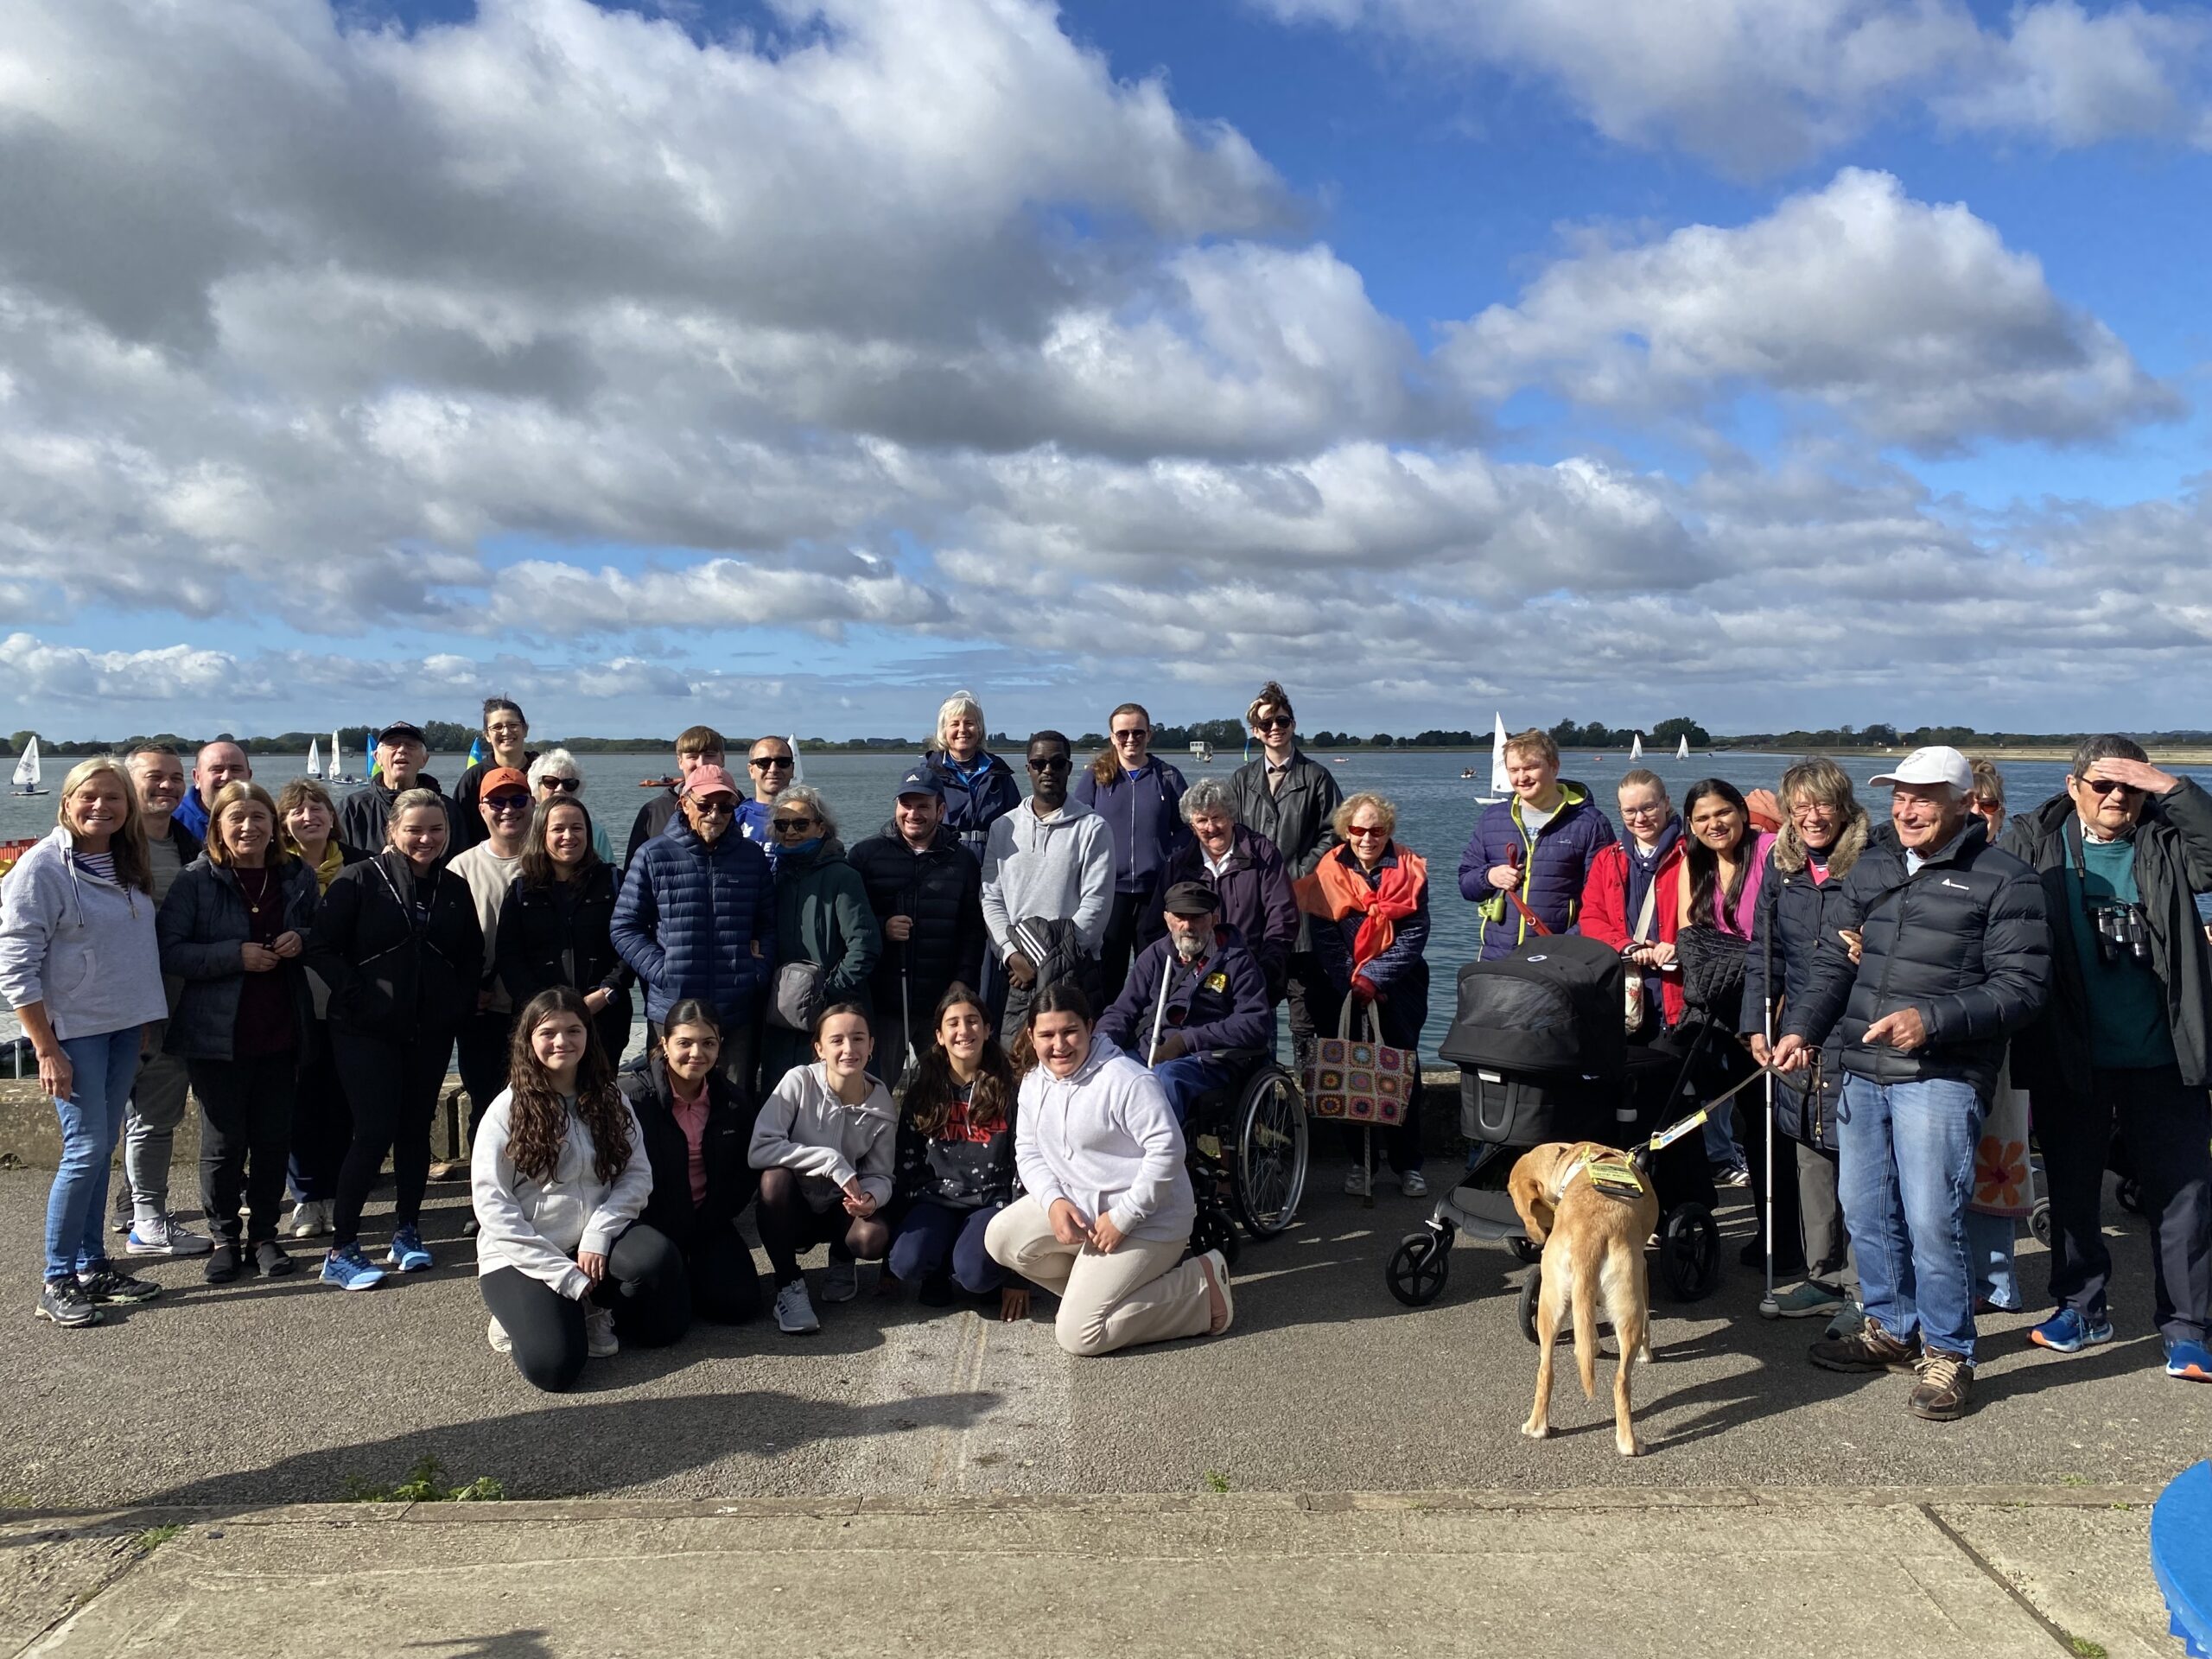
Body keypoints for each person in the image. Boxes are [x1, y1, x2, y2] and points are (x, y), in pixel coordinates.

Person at [1772, 747, 2050, 1421]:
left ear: (1961, 802)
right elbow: (1838, 963)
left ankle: (1950, 1353)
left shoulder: (2005, 879)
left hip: (1942, 1074)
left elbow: (2023, 989)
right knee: (1867, 1212)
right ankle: (1893, 1329)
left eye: (1924, 797)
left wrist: (1929, 1020)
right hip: (1862, 1070)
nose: (1907, 808)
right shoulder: (1875, 865)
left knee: (1933, 1217)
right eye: (1899, 796)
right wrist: (1802, 1027)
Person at [1999, 736, 2212, 1382]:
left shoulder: (2168, 842)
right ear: (2072, 787)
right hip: (2072, 1051)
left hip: (2165, 1052)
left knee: (2184, 1196)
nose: (2117, 797)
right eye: (2102, 784)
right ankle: (2081, 1307)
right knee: (2071, 1191)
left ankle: (2189, 1328)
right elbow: (1975, 901)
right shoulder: (2030, 844)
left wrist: (2170, 787)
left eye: (2131, 786)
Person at [1, 758, 169, 1326]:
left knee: (103, 1147)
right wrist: (44, 1047)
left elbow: (130, 948)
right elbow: (16, 967)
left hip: (124, 1026)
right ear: (67, 801)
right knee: (84, 1149)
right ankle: (56, 1278)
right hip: (74, 1034)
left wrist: (142, 1011)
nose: (101, 807)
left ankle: (92, 1266)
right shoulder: (41, 868)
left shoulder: (126, 860)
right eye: (89, 797)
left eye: (114, 799)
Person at [983, 984, 1232, 1355]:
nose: (1060, 1045)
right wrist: (1052, 1202)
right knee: (1000, 1238)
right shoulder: (1035, 1082)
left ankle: (1199, 1289)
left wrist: (1125, 1217)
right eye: (1047, 1035)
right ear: (1032, 1037)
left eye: (1070, 1032)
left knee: (1079, 1337)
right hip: (1083, 1209)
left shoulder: (1127, 1080)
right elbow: (1028, 1149)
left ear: (1090, 1027)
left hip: (1150, 1220)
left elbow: (1167, 1152)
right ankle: (1099, 1296)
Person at [305, 787, 485, 1290]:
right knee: (373, 1130)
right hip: (365, 1029)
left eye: (436, 830)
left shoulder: (452, 886)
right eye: (415, 830)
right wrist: (358, 993)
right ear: (392, 831)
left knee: (415, 1129)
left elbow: (470, 953)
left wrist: (457, 1000)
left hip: (428, 1028)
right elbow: (321, 947)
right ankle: (341, 1248)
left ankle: (407, 1230)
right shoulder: (359, 879)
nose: (425, 839)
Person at [474, 988, 690, 1391]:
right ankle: (521, 1314)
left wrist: (598, 1233)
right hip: (523, 1251)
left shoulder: (610, 1098)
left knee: (660, 1282)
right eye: (548, 1032)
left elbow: (636, 1175)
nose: (562, 1042)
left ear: (588, 1035)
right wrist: (560, 1273)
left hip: (593, 1241)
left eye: (574, 1030)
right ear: (529, 1040)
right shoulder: (507, 1110)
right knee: (556, 1369)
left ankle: (594, 1305)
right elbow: (493, 1207)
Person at [156, 781, 320, 1283]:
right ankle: (225, 1238)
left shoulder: (296, 876)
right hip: (216, 1035)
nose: (249, 827)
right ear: (218, 827)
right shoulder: (195, 880)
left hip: (282, 1027)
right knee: (224, 1144)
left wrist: (302, 939)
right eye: (237, 819)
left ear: (274, 826)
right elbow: (170, 950)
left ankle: (265, 1236)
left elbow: (327, 933)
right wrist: (234, 955)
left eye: (259, 818)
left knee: (273, 1140)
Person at [1743, 757, 1872, 1335]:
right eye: (1800, 806)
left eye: (1821, 804)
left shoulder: (1876, 863)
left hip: (1859, 1031)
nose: (1811, 817)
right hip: (1796, 1033)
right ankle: (1822, 1277)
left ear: (1842, 807)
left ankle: (1868, 1289)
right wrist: (1755, 1025)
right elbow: (1763, 954)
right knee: (1809, 1154)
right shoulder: (1782, 864)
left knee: (1863, 1165)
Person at [1673, 778, 1790, 1252]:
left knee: (1769, 1126)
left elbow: (1784, 936)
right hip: (1723, 1006)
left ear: (1742, 813)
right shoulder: (1696, 861)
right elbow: (1690, 933)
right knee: (1688, 1094)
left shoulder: (1769, 852)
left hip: (1770, 1004)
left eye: (1722, 813)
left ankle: (1782, 1237)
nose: (1713, 824)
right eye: (1701, 818)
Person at [611, 764, 775, 1098]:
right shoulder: (653, 855)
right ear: (684, 803)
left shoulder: (752, 858)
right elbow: (624, 926)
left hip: (735, 1010)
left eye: (725, 806)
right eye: (705, 804)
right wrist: (663, 970)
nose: (715, 814)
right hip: (672, 1009)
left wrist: (755, 972)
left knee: (733, 1102)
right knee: (669, 1100)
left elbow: (768, 925)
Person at [1297, 792, 1431, 1198]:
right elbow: (1323, 937)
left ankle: (1408, 1165)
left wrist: (1376, 977)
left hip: (1400, 986)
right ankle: (1361, 1163)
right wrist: (1352, 983)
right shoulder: (1328, 869)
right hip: (1342, 988)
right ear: (1346, 830)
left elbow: (1414, 935)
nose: (1367, 837)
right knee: (1348, 1074)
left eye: (1376, 830)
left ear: (1388, 829)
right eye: (1357, 829)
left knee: (1402, 1073)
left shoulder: (1410, 867)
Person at [109, 743, 212, 1257]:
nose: (167, 786)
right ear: (129, 782)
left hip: (173, 1002)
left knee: (156, 1114)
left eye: (176, 777)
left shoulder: (188, 842)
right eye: (155, 777)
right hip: (111, 1008)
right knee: (96, 1131)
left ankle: (147, 1219)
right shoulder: (98, 847)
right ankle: (81, 1251)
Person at [748, 1004, 897, 1335]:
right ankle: (788, 1285)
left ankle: (843, 1259)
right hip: (794, 1206)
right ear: (819, 1049)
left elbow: (882, 1174)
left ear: (871, 1045)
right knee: (773, 1180)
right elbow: (759, 1149)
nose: (849, 1049)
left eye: (858, 1039)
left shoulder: (882, 1104)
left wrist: (871, 1197)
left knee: (872, 1237)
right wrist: (831, 1161)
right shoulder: (798, 1081)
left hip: (838, 1208)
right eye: (837, 1040)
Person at [620, 1000, 762, 1325]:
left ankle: (689, 1275)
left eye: (708, 1043)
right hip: (648, 1225)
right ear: (664, 1044)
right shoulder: (632, 1099)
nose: (697, 1053)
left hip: (705, 1222)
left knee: (740, 1304)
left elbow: (746, 1171)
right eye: (685, 1042)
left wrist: (716, 1215)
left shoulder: (732, 1101)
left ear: (720, 1046)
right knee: (660, 1325)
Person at [887, 985, 1027, 1317]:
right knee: (905, 1262)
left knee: (975, 1276)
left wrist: (1018, 1276)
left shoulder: (1012, 1089)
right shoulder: (923, 1090)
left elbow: (1025, 1168)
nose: (964, 1031)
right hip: (935, 1200)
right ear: (939, 1035)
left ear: (988, 1029)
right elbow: (905, 1165)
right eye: (953, 1023)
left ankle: (961, 1266)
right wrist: (887, 1260)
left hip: (990, 1202)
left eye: (973, 1021)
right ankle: (936, 1265)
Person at [848, 766, 987, 1082]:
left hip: (940, 1001)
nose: (913, 813)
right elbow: (851, 922)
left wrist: (963, 981)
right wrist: (882, 927)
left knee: (943, 1085)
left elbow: (973, 928)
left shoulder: (962, 861)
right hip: (885, 1002)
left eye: (923, 805)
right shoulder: (865, 856)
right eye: (906, 804)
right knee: (876, 1085)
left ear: (940, 810)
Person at [1229, 682, 1342, 1068]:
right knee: (1253, 1004)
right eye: (1266, 723)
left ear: (1293, 724)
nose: (1274, 728)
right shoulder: (1241, 781)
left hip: (1306, 907)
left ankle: (1311, 1095)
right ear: (1255, 732)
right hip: (1255, 912)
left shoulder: (1317, 777)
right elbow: (1230, 835)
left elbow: (1336, 832)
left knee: (1306, 1012)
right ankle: (1263, 1091)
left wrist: (1298, 870)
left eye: (1282, 720)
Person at [1096, 884, 1272, 1125]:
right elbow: (1123, 1010)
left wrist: (1186, 1041)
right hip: (1149, 1050)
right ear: (1167, 920)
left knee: (1165, 1079)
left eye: (1197, 918)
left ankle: (1163, 1157)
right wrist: (1099, 1043)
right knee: (1110, 1074)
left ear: (1214, 919)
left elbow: (1255, 1023)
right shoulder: (1155, 956)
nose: (1188, 927)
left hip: (1207, 1060)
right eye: (1180, 918)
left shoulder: (1238, 962)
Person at [980, 732, 1113, 1042]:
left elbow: (1096, 907)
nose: (1048, 770)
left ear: (1069, 768)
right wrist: (1011, 954)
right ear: (1028, 769)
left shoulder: (1093, 828)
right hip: (1016, 972)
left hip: (1075, 968)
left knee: (1071, 1057)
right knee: (1014, 1059)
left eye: (1056, 763)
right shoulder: (1003, 828)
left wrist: (1047, 963)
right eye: (1039, 763)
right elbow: (991, 898)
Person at [759, 785, 881, 1086]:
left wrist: (829, 994)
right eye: (782, 825)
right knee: (782, 1094)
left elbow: (864, 946)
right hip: (780, 1015)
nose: (791, 832)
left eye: (801, 824)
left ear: (821, 827)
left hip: (830, 1010)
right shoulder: (776, 875)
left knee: (830, 1092)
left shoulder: (843, 876)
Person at [1457, 728, 1617, 959]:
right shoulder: (1492, 819)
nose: (1522, 778)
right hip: (1499, 959)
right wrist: (1490, 876)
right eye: (1514, 770)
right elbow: (1466, 884)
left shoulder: (1590, 823)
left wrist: (1564, 945)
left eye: (1531, 768)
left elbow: (1604, 899)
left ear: (1554, 766)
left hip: (1562, 961)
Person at [497, 798, 633, 1065]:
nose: (568, 836)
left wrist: (606, 992)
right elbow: (509, 956)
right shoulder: (521, 891)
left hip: (604, 1015)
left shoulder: (615, 881)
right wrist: (542, 1005)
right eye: (558, 829)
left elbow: (631, 945)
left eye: (577, 828)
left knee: (598, 1098)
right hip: (541, 1020)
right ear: (541, 834)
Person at [1071, 703, 1190, 1001]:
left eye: (1138, 732)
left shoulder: (1168, 776)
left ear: (1149, 734)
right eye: (1123, 733)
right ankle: (1105, 1038)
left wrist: (1167, 858)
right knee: (1107, 974)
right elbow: (1076, 825)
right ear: (1112, 736)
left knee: (1158, 972)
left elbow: (1188, 828)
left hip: (1156, 892)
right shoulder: (1097, 777)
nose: (1130, 739)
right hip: (1109, 892)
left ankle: (1154, 1038)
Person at [448, 766, 534, 1144]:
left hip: (537, 1008)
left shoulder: (548, 861)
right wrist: (466, 992)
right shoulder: (460, 868)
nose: (508, 810)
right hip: (481, 1010)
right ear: (482, 809)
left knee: (539, 1102)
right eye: (497, 802)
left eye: (518, 800)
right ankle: (483, 1191)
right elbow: (445, 946)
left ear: (532, 804)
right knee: (485, 1105)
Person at [1162, 777, 1297, 1004]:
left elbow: (1282, 916)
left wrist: (1268, 968)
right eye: (1202, 820)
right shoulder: (1179, 865)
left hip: (1253, 979)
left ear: (1231, 817)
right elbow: (1159, 923)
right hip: (1193, 983)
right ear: (1192, 828)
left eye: (1217, 817)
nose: (1211, 827)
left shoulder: (1262, 853)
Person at [1579, 769, 1686, 1034]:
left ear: (1666, 803)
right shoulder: (1607, 859)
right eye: (1630, 811)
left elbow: (1711, 916)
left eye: (1648, 807)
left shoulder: (1691, 855)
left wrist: (1678, 945)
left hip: (1678, 991)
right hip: (1627, 991)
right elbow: (1591, 918)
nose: (1640, 818)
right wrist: (1627, 947)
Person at [923, 690, 1022, 861]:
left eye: (969, 723)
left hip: (995, 863)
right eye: (955, 724)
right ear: (944, 730)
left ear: (980, 729)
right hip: (945, 864)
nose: (962, 730)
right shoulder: (928, 773)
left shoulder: (999, 772)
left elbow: (1019, 823)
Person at [340, 722, 454, 851]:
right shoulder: (351, 808)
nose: (401, 750)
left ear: (424, 759)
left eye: (411, 745)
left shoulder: (446, 808)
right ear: (378, 758)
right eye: (393, 743)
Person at [624, 724, 726, 868]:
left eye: (709, 755)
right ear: (680, 762)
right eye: (693, 757)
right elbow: (632, 872)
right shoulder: (653, 811)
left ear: (722, 759)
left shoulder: (740, 807)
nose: (701, 764)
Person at [452, 697, 537, 854]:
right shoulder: (473, 778)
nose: (506, 732)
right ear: (487, 735)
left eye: (513, 725)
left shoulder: (546, 771)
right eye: (497, 727)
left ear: (525, 729)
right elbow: (460, 830)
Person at [527, 748, 616, 863]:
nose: (560, 789)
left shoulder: (595, 832)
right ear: (536, 786)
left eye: (569, 784)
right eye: (551, 782)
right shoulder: (524, 827)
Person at [173, 739, 252, 841]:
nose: (227, 777)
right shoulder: (172, 820)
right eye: (217, 770)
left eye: (235, 769)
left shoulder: (265, 819)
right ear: (197, 777)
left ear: (249, 776)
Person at [737, 736, 798, 844]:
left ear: (792, 769)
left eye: (782, 762)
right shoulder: (734, 818)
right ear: (751, 770)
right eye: (763, 762)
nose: (773, 769)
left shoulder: (809, 818)